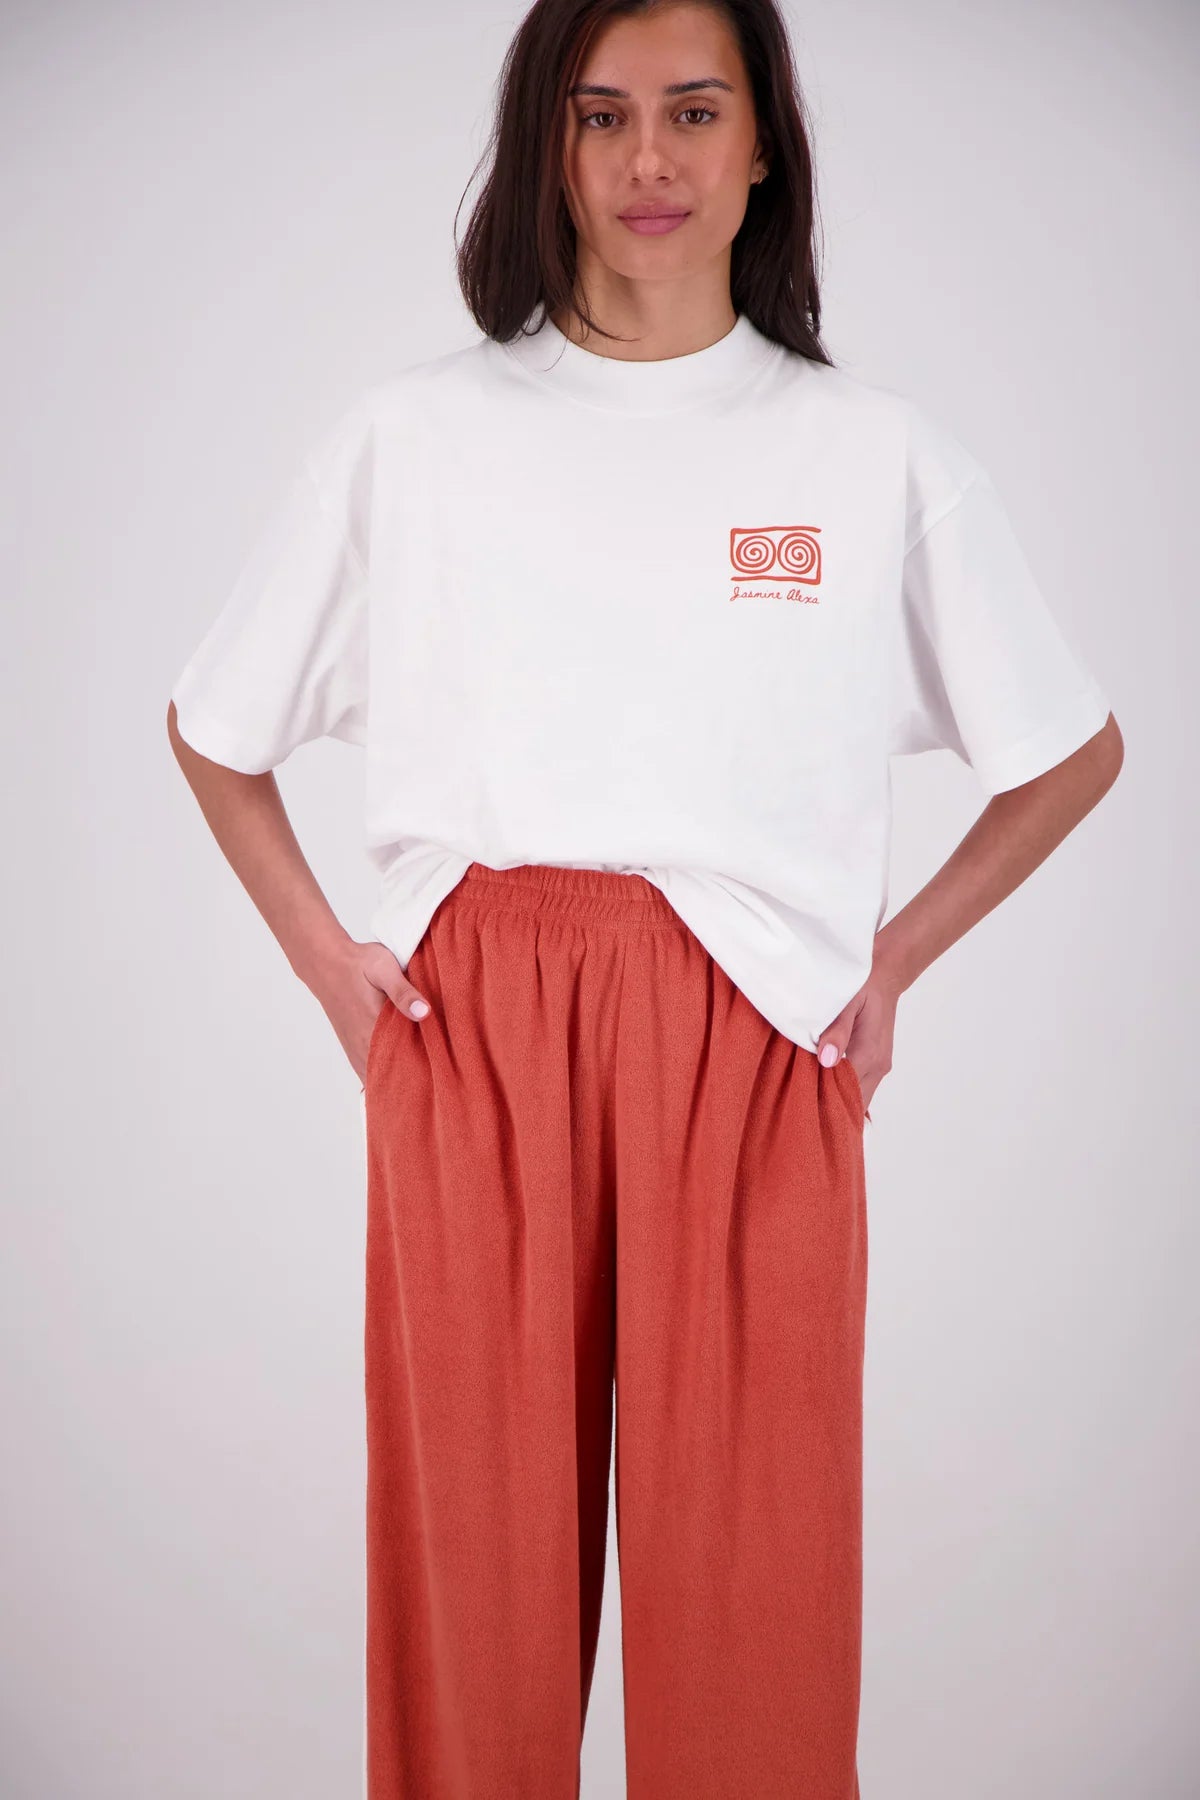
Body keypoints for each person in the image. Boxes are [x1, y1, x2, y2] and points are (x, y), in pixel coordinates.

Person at [167, 1, 1123, 1794]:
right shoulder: (415, 436)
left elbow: (1069, 751)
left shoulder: (866, 456)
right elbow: (218, 726)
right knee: (477, 1597)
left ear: (764, 146)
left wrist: (893, 962)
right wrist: (323, 962)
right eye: (600, 116)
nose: (648, 161)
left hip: (760, 1039)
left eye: (694, 111)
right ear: (549, 147)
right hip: (474, 1030)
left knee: (756, 1592)